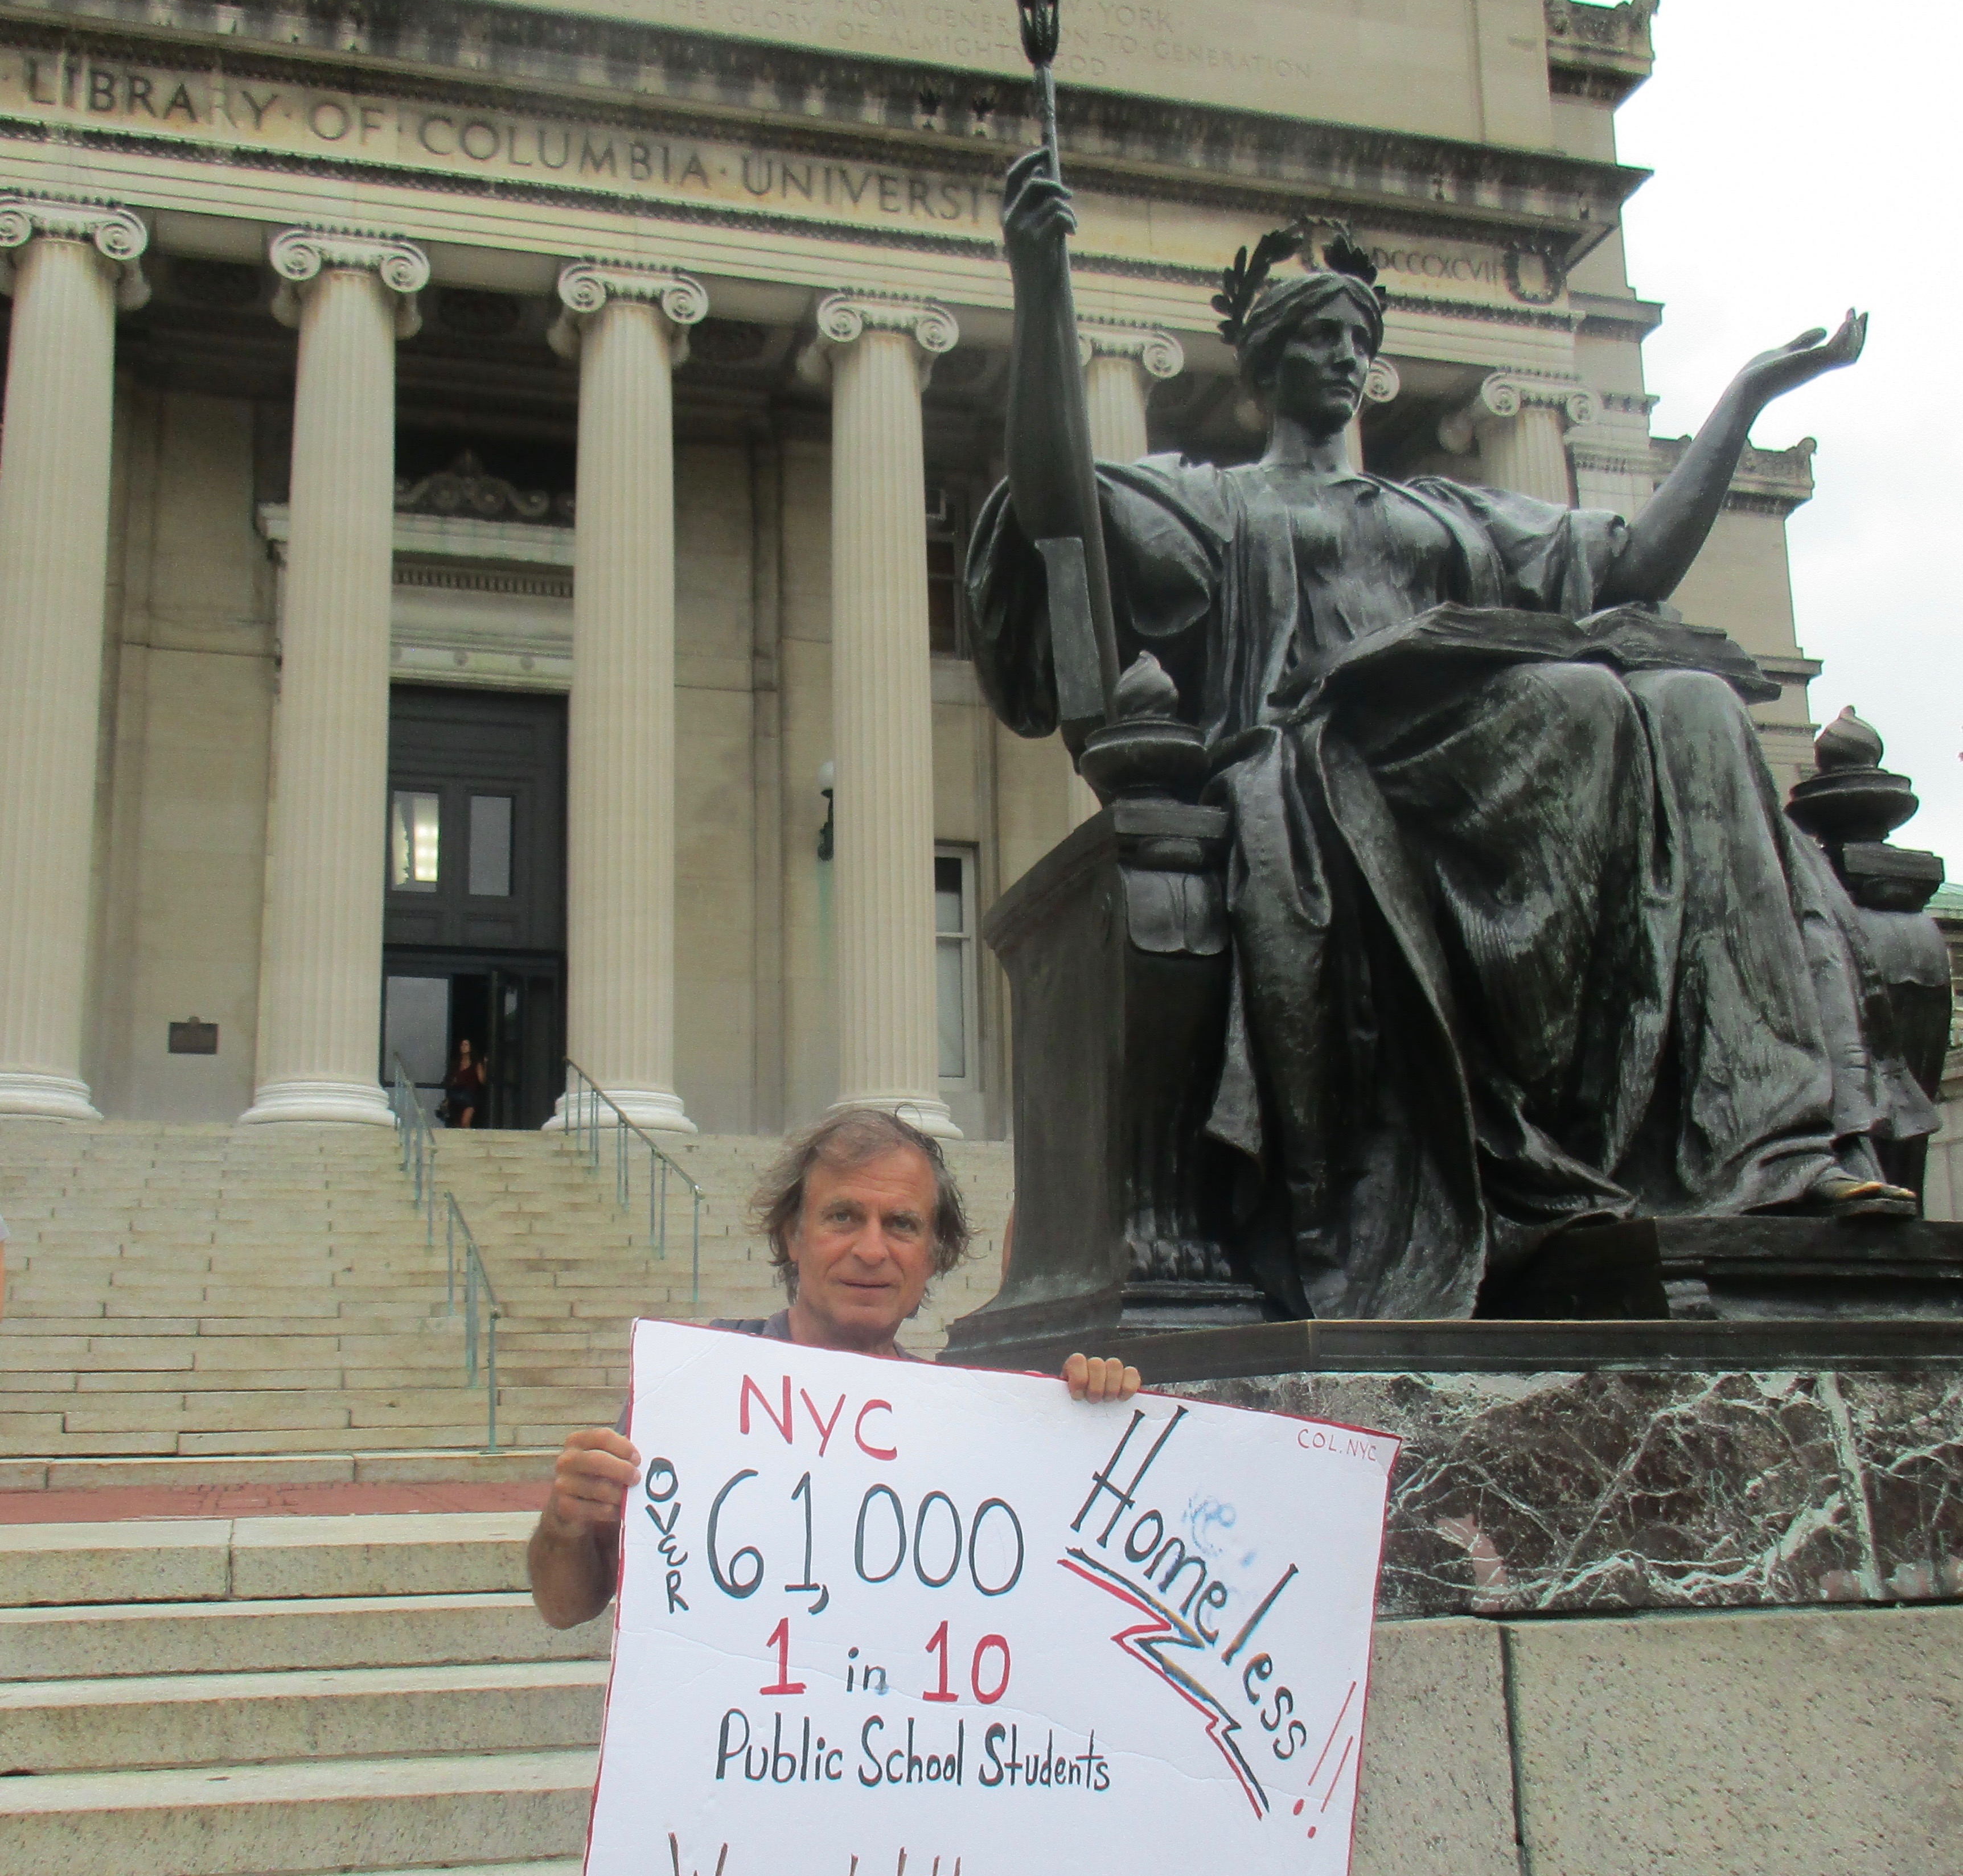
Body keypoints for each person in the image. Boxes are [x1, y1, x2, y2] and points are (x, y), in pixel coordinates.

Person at [969, 151, 1932, 1322]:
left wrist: (1741, 397)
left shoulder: (1449, 510)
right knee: (1573, 701)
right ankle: (1529, 1149)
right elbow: (1057, 499)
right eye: (1319, 336)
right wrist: (1038, 284)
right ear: (1266, 364)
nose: (1345, 355)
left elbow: (1628, 564)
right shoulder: (1215, 501)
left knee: (1693, 704)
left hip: (1496, 770)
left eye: (1355, 338)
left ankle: (1769, 1142)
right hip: (1332, 768)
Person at [528, 1108, 1141, 1629]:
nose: (871, 1250)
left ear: (933, 1255)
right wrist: (567, 1523)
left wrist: (1088, 1428)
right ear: (793, 1235)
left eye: (901, 1224)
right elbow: (565, 1607)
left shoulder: (966, 1423)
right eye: (843, 1216)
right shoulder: (695, 1389)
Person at [443, 1038, 487, 1128]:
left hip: (469, 1096)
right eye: (462, 1045)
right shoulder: (456, 1065)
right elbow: (449, 1081)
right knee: (456, 1124)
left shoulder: (475, 1064)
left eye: (466, 1045)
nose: (464, 1047)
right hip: (456, 1096)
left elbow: (482, 1081)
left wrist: (485, 1066)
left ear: (471, 1048)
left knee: (465, 1123)